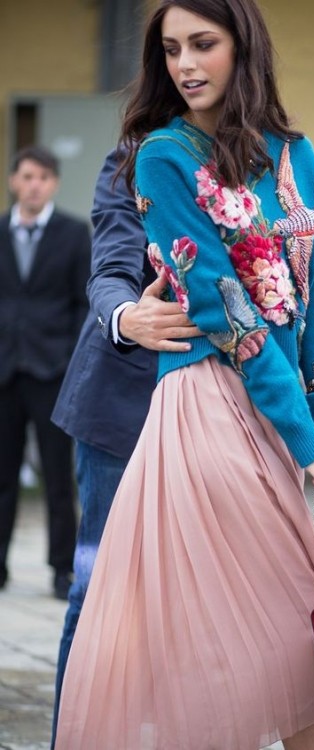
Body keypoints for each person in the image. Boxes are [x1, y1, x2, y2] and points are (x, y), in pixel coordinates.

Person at [54, 1, 314, 748]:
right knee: (128, 612)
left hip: (273, 412)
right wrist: (127, 317)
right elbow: (227, 312)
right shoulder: (157, 155)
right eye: (171, 49)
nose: (185, 65)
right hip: (197, 402)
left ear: (242, 46)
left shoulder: (297, 155)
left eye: (202, 44)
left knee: (293, 633)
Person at [50, 147, 201, 747]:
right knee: (97, 590)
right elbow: (111, 263)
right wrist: (124, 317)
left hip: (217, 410)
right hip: (120, 407)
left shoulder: (262, 164)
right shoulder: (133, 159)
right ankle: (71, 736)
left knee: (197, 601)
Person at [0, 146, 91, 600]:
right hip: (4, 373)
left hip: (53, 372)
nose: (34, 185)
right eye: (27, 176)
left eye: (42, 177)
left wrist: (70, 359)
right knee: (2, 476)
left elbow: (84, 304)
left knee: (58, 477)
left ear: (53, 183)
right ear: (13, 181)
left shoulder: (74, 234)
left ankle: (61, 569)